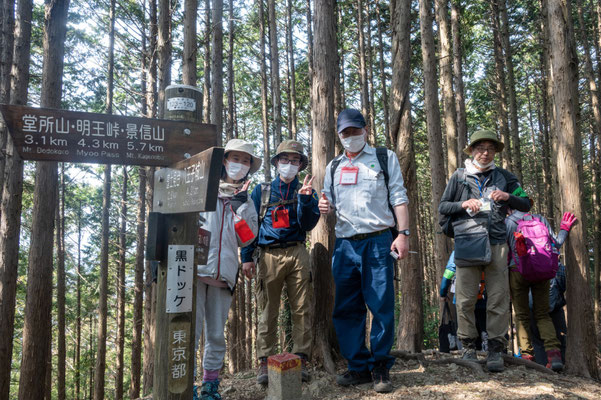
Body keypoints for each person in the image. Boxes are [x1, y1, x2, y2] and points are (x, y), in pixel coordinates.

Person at [318, 108, 410, 393]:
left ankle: (381, 365)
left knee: (381, 304)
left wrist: (403, 234)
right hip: (345, 244)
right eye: (345, 132)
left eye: (356, 130)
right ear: (339, 135)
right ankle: (357, 366)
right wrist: (324, 207)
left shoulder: (384, 158)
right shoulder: (333, 166)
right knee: (346, 308)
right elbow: (328, 202)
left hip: (379, 241)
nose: (351, 136)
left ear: (365, 130)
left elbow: (398, 196)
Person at [438, 129, 531, 372]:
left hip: (497, 243)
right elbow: (444, 206)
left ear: (495, 152)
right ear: (472, 151)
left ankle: (495, 350)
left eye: (490, 149)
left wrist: (508, 195)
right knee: (466, 297)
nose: (485, 153)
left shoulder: (505, 176)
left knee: (498, 298)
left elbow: (526, 202)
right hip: (467, 243)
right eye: (480, 148)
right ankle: (468, 347)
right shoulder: (459, 177)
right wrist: (463, 203)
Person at [240, 140, 320, 385]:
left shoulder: (306, 190)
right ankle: (265, 361)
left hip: (297, 252)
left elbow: (308, 225)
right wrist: (246, 258)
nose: (289, 165)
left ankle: (300, 358)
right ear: (276, 163)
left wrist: (306, 200)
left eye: (294, 161)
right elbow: (249, 225)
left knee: (302, 308)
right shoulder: (261, 191)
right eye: (284, 160)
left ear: (300, 165)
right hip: (268, 255)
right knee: (268, 309)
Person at [194, 139, 261, 400]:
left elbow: (248, 238)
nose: (240, 165)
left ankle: (210, 386)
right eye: (236, 158)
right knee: (191, 333)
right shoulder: (204, 188)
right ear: (225, 160)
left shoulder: (246, 199)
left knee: (215, 334)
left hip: (225, 275)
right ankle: (186, 386)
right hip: (196, 271)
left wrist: (241, 207)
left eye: (246, 161)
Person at [505, 210, 576, 371]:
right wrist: (564, 228)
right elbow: (556, 244)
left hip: (517, 271)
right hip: (542, 270)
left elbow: (504, 252)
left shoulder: (508, 222)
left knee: (522, 316)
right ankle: (554, 356)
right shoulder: (540, 218)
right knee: (542, 314)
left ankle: (527, 357)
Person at [439, 251, 488, 351]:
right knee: (483, 328)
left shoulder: (458, 249)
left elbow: (449, 271)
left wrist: (443, 292)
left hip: (462, 298)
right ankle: (486, 351)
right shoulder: (485, 248)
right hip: (483, 297)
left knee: (464, 327)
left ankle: (468, 351)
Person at [530, 263, 567, 366]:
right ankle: (559, 364)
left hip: (534, 309)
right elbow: (563, 286)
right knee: (560, 340)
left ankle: (542, 366)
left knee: (538, 341)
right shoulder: (559, 268)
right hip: (555, 310)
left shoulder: (530, 264)